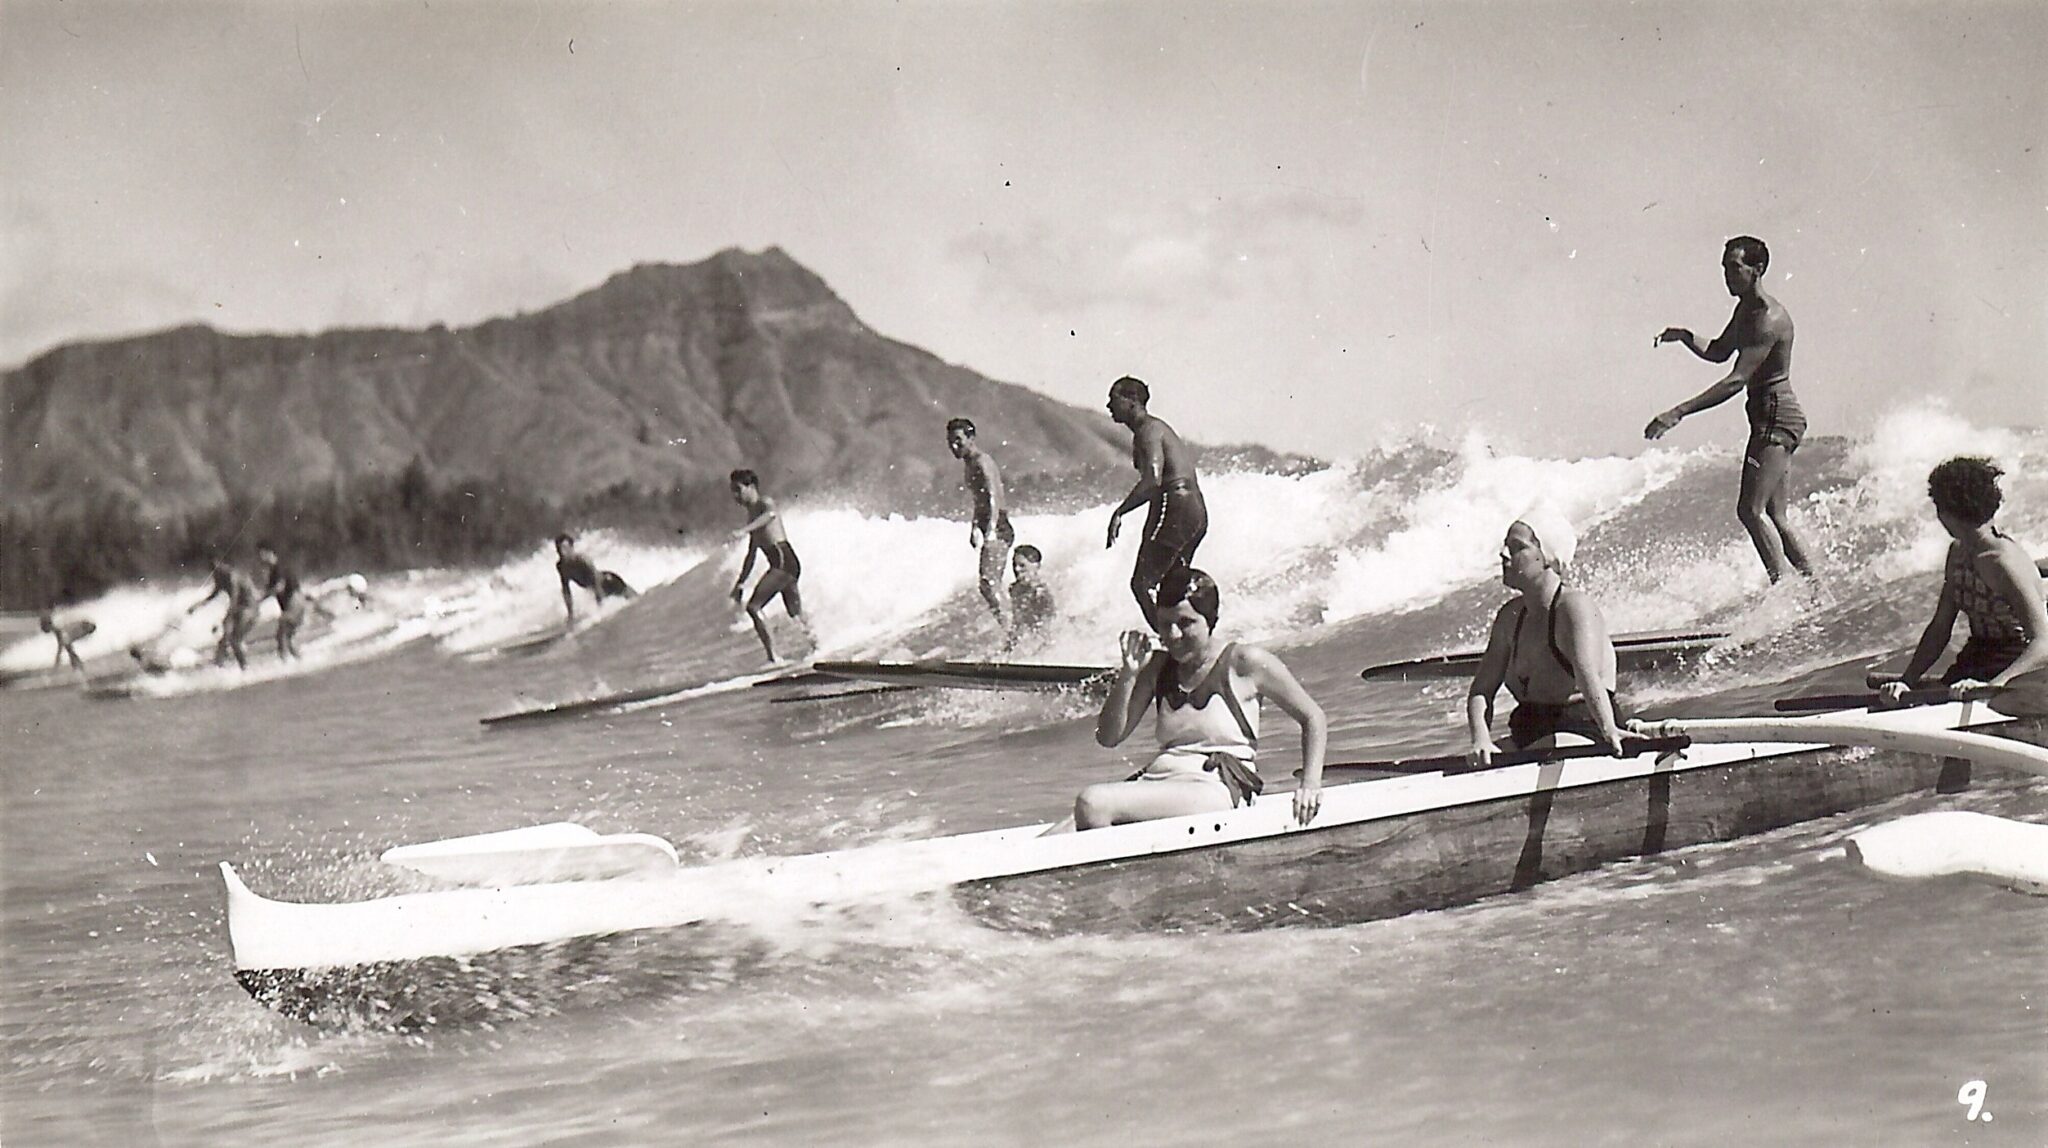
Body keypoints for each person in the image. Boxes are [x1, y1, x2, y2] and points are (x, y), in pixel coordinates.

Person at [1079, 567, 1327, 830]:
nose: (1173, 635)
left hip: (1215, 787)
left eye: (1185, 623)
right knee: (1057, 832)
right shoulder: (1157, 668)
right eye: (1165, 625)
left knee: (1093, 803)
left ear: (1211, 619)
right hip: (1159, 782)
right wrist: (1129, 675)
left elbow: (1313, 717)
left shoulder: (1245, 663)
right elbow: (1108, 738)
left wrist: (1310, 785)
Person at [1646, 236, 1816, 582]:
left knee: (1750, 510)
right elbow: (1720, 351)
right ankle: (1816, 590)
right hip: (1773, 416)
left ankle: (1784, 589)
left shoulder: (1768, 318)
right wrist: (1686, 336)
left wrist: (1677, 412)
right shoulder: (1745, 310)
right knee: (1774, 514)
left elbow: (1736, 380)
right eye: (1724, 268)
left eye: (1734, 268)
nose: (1727, 275)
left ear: (1758, 269)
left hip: (1774, 415)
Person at [1870, 457, 2048, 704]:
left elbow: (2043, 642)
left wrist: (1991, 687)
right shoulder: (1958, 552)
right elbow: (1940, 627)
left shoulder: (2003, 563)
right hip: (1976, 656)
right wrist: (1907, 680)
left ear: (1950, 512)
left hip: (2016, 667)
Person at [1466, 508, 1628, 764]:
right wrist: (1481, 740)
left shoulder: (1574, 607)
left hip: (1583, 724)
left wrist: (1610, 731)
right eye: (1506, 546)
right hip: (1531, 728)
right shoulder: (1509, 617)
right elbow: (1481, 690)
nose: (1504, 554)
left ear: (1547, 557)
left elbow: (1587, 676)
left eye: (1517, 547)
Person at [1104, 376, 1208, 619]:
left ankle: (1170, 641)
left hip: (1177, 506)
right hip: (1192, 509)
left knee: (1142, 584)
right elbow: (1158, 491)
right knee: (1174, 585)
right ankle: (1193, 636)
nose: (1108, 406)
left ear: (1131, 401)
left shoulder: (1148, 431)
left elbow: (1153, 480)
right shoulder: (1155, 429)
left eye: (1113, 399)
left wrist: (1119, 512)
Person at [726, 469, 810, 664]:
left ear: (751, 487)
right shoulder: (751, 516)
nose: (735, 496)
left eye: (738, 490)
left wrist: (744, 530)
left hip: (783, 560)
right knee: (795, 613)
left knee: (754, 607)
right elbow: (752, 554)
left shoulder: (765, 503)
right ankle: (818, 646)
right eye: (733, 491)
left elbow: (771, 515)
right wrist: (740, 584)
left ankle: (773, 658)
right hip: (785, 563)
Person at [946, 417, 1014, 630]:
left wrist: (991, 529)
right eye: (951, 442)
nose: (954, 446)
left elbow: (993, 496)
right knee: (988, 583)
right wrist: (975, 526)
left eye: (958, 440)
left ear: (971, 438)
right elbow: (979, 500)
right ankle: (1011, 627)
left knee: (989, 582)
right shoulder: (969, 464)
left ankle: (1012, 629)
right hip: (988, 525)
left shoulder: (982, 461)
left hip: (999, 525)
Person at [189, 559, 261, 669]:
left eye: (216, 566)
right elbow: (213, 595)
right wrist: (197, 606)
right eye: (212, 568)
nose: (214, 571)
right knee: (224, 638)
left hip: (249, 609)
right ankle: (219, 665)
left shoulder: (232, 576)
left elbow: (234, 597)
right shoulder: (219, 577)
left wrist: (228, 616)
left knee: (234, 640)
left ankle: (245, 667)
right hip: (239, 609)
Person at [554, 533, 636, 626]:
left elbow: (596, 581)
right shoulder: (561, 566)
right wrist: (570, 615)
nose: (564, 552)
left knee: (634, 599)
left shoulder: (582, 560)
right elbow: (566, 590)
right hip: (597, 586)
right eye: (561, 549)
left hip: (609, 582)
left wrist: (601, 609)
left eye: (566, 548)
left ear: (572, 547)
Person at [255, 541, 308, 659]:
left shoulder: (279, 567)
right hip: (295, 602)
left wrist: (262, 598)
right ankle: (299, 660)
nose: (260, 558)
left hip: (294, 603)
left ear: (269, 553)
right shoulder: (274, 570)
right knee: (286, 637)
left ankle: (286, 663)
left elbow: (279, 587)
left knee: (282, 635)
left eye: (261, 554)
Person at [1008, 544, 1055, 639]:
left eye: (1022, 565)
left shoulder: (1040, 592)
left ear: (1036, 566)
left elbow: (1048, 627)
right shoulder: (1014, 589)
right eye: (1014, 564)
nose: (1017, 569)